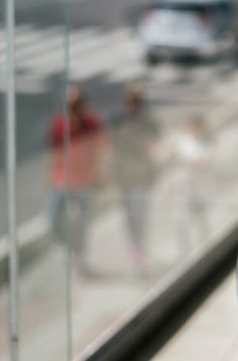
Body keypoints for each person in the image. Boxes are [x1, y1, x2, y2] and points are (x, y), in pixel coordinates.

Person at [48, 85, 105, 275]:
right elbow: (53, 150)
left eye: (75, 105)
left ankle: (80, 257)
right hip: (62, 179)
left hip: (84, 180)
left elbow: (101, 147)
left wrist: (99, 173)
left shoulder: (91, 122)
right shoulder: (59, 123)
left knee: (82, 221)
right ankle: (70, 248)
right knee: (54, 219)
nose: (72, 109)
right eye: (68, 105)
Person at [109, 81, 161, 273]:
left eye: (137, 101)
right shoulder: (118, 120)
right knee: (129, 215)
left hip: (141, 175)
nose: (133, 105)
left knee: (140, 214)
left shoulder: (148, 122)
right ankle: (135, 249)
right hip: (125, 175)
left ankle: (140, 250)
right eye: (131, 101)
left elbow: (155, 145)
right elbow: (111, 146)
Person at [166, 115, 211, 254]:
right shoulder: (182, 142)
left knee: (199, 218)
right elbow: (173, 163)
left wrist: (183, 159)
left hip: (197, 186)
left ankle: (204, 245)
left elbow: (201, 163)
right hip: (182, 186)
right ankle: (184, 250)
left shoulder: (204, 144)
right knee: (181, 219)